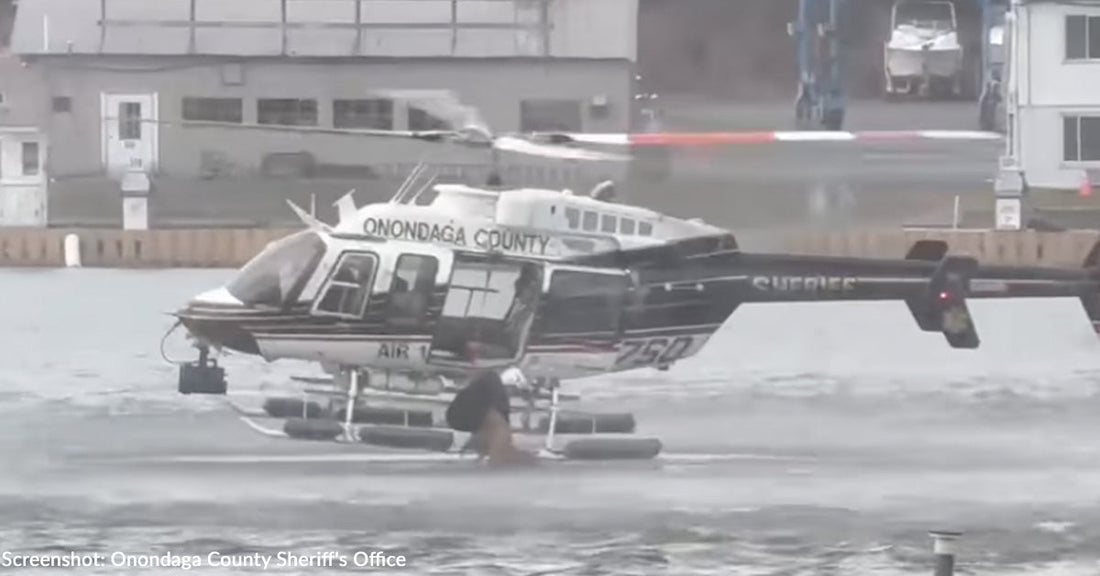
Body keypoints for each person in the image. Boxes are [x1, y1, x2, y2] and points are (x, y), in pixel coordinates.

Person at [445, 369, 537, 467]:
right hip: (476, 409)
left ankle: (494, 452)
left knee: (499, 430)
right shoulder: (498, 423)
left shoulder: (496, 418)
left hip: (469, 411)